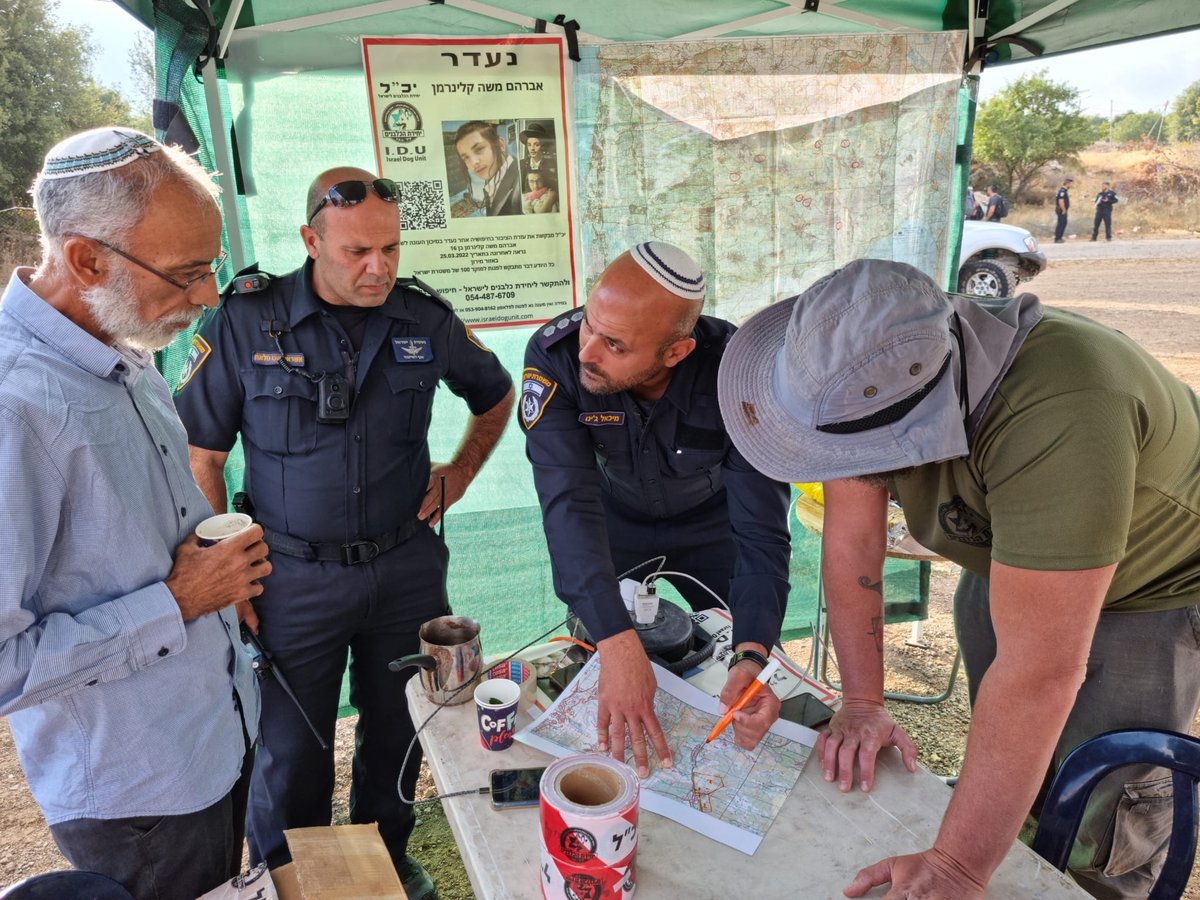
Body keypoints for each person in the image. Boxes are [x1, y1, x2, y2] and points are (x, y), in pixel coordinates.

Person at [717, 258, 1200, 900]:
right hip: (1005, 555)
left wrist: (955, 868)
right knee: (1018, 761)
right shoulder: (874, 361)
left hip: (1150, 591)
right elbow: (855, 536)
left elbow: (1039, 671)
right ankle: (1014, 836)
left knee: (1100, 814)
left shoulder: (1064, 407)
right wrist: (862, 703)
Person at [174, 166, 515, 899]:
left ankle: (382, 867)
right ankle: (291, 881)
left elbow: (494, 395)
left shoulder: (423, 318)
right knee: (293, 748)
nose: (379, 268)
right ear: (310, 239)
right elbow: (202, 453)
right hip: (290, 575)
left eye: (390, 250)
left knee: (398, 732)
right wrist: (225, 568)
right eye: (358, 251)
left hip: (404, 571)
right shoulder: (245, 318)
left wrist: (457, 472)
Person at [0, 127, 270, 899]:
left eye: (210, 267)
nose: (209, 296)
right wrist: (180, 599)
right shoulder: (15, 407)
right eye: (186, 273)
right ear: (86, 259)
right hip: (141, 799)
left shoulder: (124, 344)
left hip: (207, 739)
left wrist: (216, 573)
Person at [521, 242, 792, 777]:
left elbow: (762, 530)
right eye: (589, 326)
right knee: (596, 660)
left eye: (615, 345)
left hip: (712, 527)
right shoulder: (554, 356)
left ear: (676, 353)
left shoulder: (738, 372)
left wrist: (756, 654)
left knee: (741, 668)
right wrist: (616, 642)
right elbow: (567, 505)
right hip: (612, 522)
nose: (587, 353)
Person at [454, 121, 521, 216]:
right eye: (466, 158)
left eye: (479, 149)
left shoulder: (522, 182)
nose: (474, 162)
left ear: (500, 145)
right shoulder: (493, 177)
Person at [1054, 175, 1074, 242]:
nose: (1072, 185)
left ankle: (1059, 237)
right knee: (1061, 223)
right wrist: (1064, 209)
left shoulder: (1064, 191)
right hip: (1061, 210)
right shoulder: (1062, 191)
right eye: (1071, 184)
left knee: (1063, 223)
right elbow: (1061, 201)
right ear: (1067, 183)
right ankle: (1057, 238)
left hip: (1062, 209)